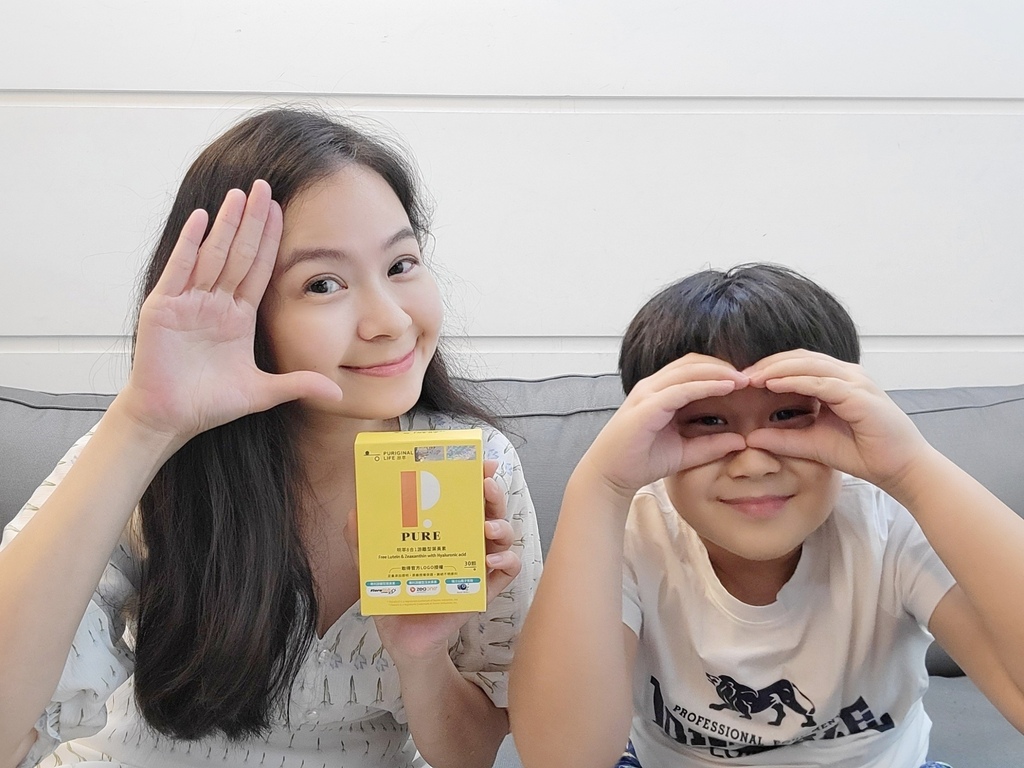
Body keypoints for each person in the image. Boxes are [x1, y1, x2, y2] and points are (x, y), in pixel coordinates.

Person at [0, 107, 542, 768]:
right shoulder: (145, 449)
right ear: (244, 307)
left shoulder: (478, 465)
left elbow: (474, 753)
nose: (390, 320)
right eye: (323, 284)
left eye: (402, 264)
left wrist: (421, 656)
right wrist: (144, 423)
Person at [509, 263, 1024, 768]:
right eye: (709, 421)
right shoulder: (630, 532)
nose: (754, 464)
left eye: (787, 415)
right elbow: (562, 758)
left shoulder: (887, 521)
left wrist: (913, 469)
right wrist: (600, 487)